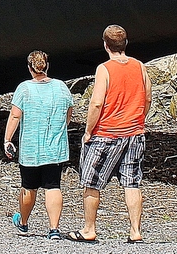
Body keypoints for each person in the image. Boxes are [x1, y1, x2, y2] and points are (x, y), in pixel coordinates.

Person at [70, 25, 151, 244]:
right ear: (126, 44)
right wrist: (138, 118)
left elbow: (97, 103)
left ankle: (89, 229)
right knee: (131, 182)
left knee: (92, 182)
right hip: (135, 133)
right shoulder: (139, 66)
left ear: (106, 45)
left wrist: (88, 131)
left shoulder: (104, 69)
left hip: (108, 133)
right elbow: (148, 98)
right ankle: (135, 231)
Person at [4, 50, 73, 241]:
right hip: (55, 148)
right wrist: (61, 129)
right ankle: (54, 229)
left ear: (29, 68)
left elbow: (15, 115)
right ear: (47, 66)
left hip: (31, 149)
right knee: (53, 186)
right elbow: (68, 113)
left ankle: (24, 223)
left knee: (28, 186)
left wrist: (7, 139)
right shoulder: (61, 87)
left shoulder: (24, 88)